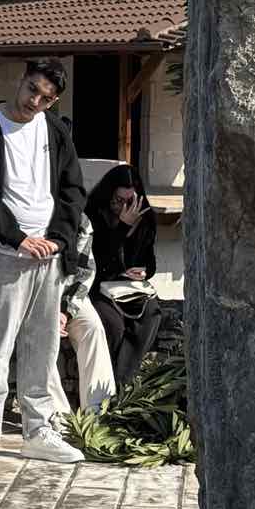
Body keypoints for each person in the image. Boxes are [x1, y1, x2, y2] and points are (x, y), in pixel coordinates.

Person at [0, 59, 87, 470]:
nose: (35, 101)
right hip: (4, 254)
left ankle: (38, 430)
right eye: (33, 90)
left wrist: (58, 239)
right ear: (21, 80)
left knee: (43, 346)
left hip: (49, 255)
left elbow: (73, 190)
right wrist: (17, 237)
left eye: (46, 98)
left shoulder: (56, 130)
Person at [85, 164, 162, 388]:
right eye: (119, 200)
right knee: (113, 325)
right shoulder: (94, 215)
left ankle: (121, 383)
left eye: (130, 200)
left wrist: (144, 271)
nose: (125, 206)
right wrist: (121, 228)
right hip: (99, 286)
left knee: (151, 316)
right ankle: (105, 384)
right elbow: (96, 261)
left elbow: (151, 261)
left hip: (129, 287)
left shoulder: (145, 219)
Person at [54, 218, 117, 414]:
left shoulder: (79, 220)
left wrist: (66, 310)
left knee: (92, 328)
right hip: (34, 295)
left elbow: (84, 272)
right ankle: (56, 415)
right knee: (44, 337)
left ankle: (98, 411)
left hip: (68, 294)